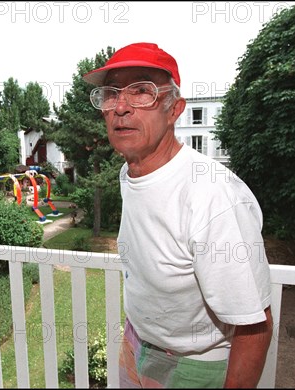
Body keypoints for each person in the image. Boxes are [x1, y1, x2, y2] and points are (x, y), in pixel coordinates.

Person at [83, 42, 273, 388]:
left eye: (142, 92)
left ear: (175, 110)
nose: (121, 107)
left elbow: (254, 327)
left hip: (195, 365)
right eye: (111, 94)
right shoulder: (131, 173)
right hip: (137, 342)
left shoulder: (213, 196)